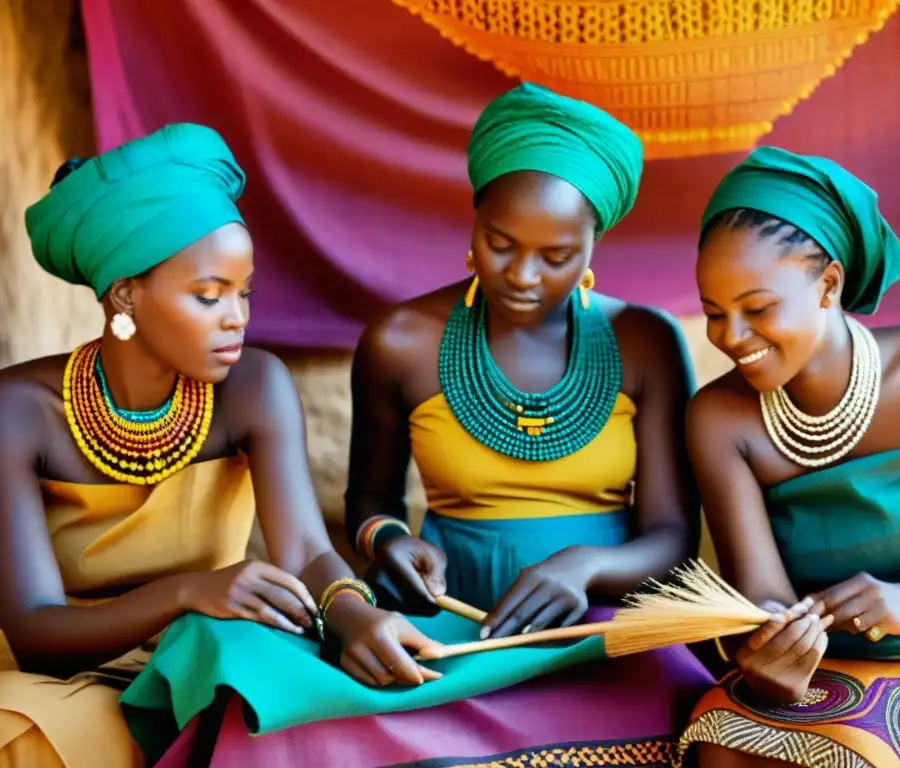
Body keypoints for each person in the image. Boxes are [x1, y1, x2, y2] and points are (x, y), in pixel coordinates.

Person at [148, 83, 713, 768]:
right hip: (443, 624)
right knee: (271, 699)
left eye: (556, 255)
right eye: (500, 243)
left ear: (594, 244)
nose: (524, 275)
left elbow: (674, 537)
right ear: (473, 224)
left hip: (598, 624)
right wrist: (388, 542)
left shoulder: (646, 342)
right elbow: (371, 504)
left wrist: (587, 566)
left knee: (684, 711)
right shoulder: (402, 341)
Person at [0, 123, 440, 768]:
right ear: (124, 293)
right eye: (209, 296)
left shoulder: (253, 386)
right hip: (62, 679)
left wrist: (352, 612)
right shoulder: (19, 412)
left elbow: (310, 551)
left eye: (244, 292)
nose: (238, 317)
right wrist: (187, 591)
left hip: (207, 654)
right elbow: (37, 635)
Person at [679, 146, 900, 767]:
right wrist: (769, 653)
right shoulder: (719, 418)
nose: (731, 336)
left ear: (828, 284)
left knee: (874, 750)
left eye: (757, 309)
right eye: (713, 313)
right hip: (835, 666)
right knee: (720, 742)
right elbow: (763, 598)